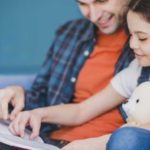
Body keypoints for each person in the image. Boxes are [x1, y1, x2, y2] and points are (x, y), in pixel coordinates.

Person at [0, 0, 133, 149]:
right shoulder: (69, 33)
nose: (94, 16)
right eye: (83, 4)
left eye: (101, 1)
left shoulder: (141, 49)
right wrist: (16, 94)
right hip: (45, 141)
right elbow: (49, 100)